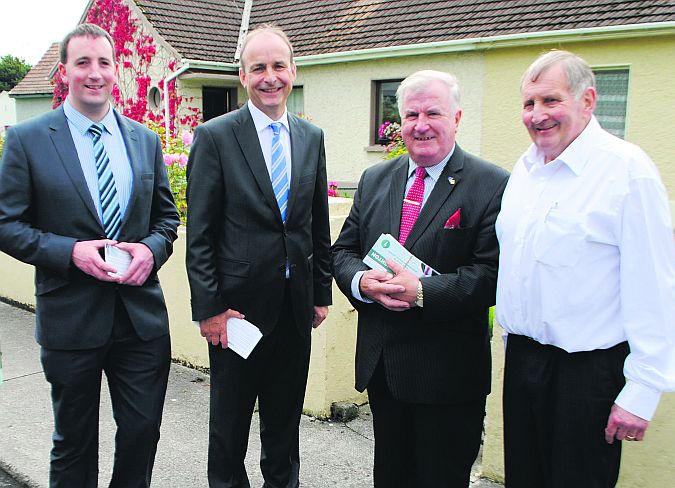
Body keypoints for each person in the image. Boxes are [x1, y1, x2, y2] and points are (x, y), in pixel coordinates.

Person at [0, 24, 179, 488]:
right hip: (71, 319)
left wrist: (150, 249)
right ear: (65, 73)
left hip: (140, 320)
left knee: (142, 433)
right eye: (83, 63)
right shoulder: (28, 140)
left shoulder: (145, 140)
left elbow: (166, 220)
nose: (94, 73)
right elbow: (7, 224)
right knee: (75, 442)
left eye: (103, 62)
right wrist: (69, 251)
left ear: (116, 71)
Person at [496, 50, 675, 487]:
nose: (537, 115)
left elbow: (656, 285)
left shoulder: (628, 172)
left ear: (588, 100)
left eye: (550, 100)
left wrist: (642, 391)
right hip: (523, 361)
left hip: (587, 375)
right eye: (528, 103)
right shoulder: (525, 169)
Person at [331, 70, 509, 487]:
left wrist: (423, 291)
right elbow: (342, 252)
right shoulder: (376, 179)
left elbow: (491, 275)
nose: (421, 124)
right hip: (384, 369)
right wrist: (362, 283)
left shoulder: (492, 185)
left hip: (446, 377)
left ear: (457, 117)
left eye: (433, 112)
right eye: (411, 114)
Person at [185, 24, 332, 488]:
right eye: (259, 68)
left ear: (293, 70)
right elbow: (201, 234)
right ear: (243, 77)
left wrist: (320, 292)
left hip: (294, 311)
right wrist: (209, 310)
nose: (271, 77)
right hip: (237, 314)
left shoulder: (311, 137)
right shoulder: (215, 136)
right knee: (229, 430)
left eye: (278, 66)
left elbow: (317, 222)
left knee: (284, 428)